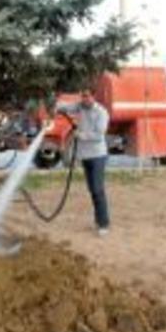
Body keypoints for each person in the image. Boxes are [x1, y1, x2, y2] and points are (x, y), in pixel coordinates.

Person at [59, 88, 110, 236]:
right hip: (85, 156)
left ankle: (103, 224)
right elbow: (66, 107)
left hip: (98, 155)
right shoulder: (80, 106)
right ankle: (98, 220)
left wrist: (80, 135)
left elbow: (99, 135)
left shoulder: (101, 112)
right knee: (92, 189)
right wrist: (56, 106)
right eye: (82, 96)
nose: (83, 99)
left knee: (97, 189)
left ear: (94, 96)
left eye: (87, 96)